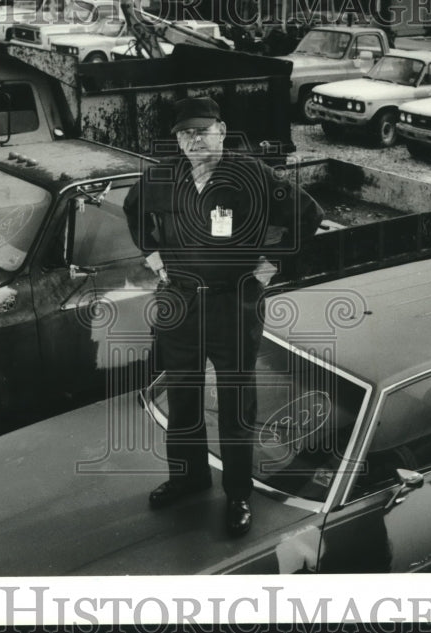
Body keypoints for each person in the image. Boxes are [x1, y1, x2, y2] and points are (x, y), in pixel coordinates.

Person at [124, 97, 324, 536]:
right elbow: (134, 210)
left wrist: (270, 266)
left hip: (233, 308)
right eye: (184, 133)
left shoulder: (250, 173)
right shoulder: (162, 175)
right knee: (183, 402)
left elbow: (306, 214)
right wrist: (155, 258)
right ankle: (188, 478)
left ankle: (237, 495)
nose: (193, 140)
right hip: (180, 307)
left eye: (202, 130)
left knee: (235, 408)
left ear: (222, 129)